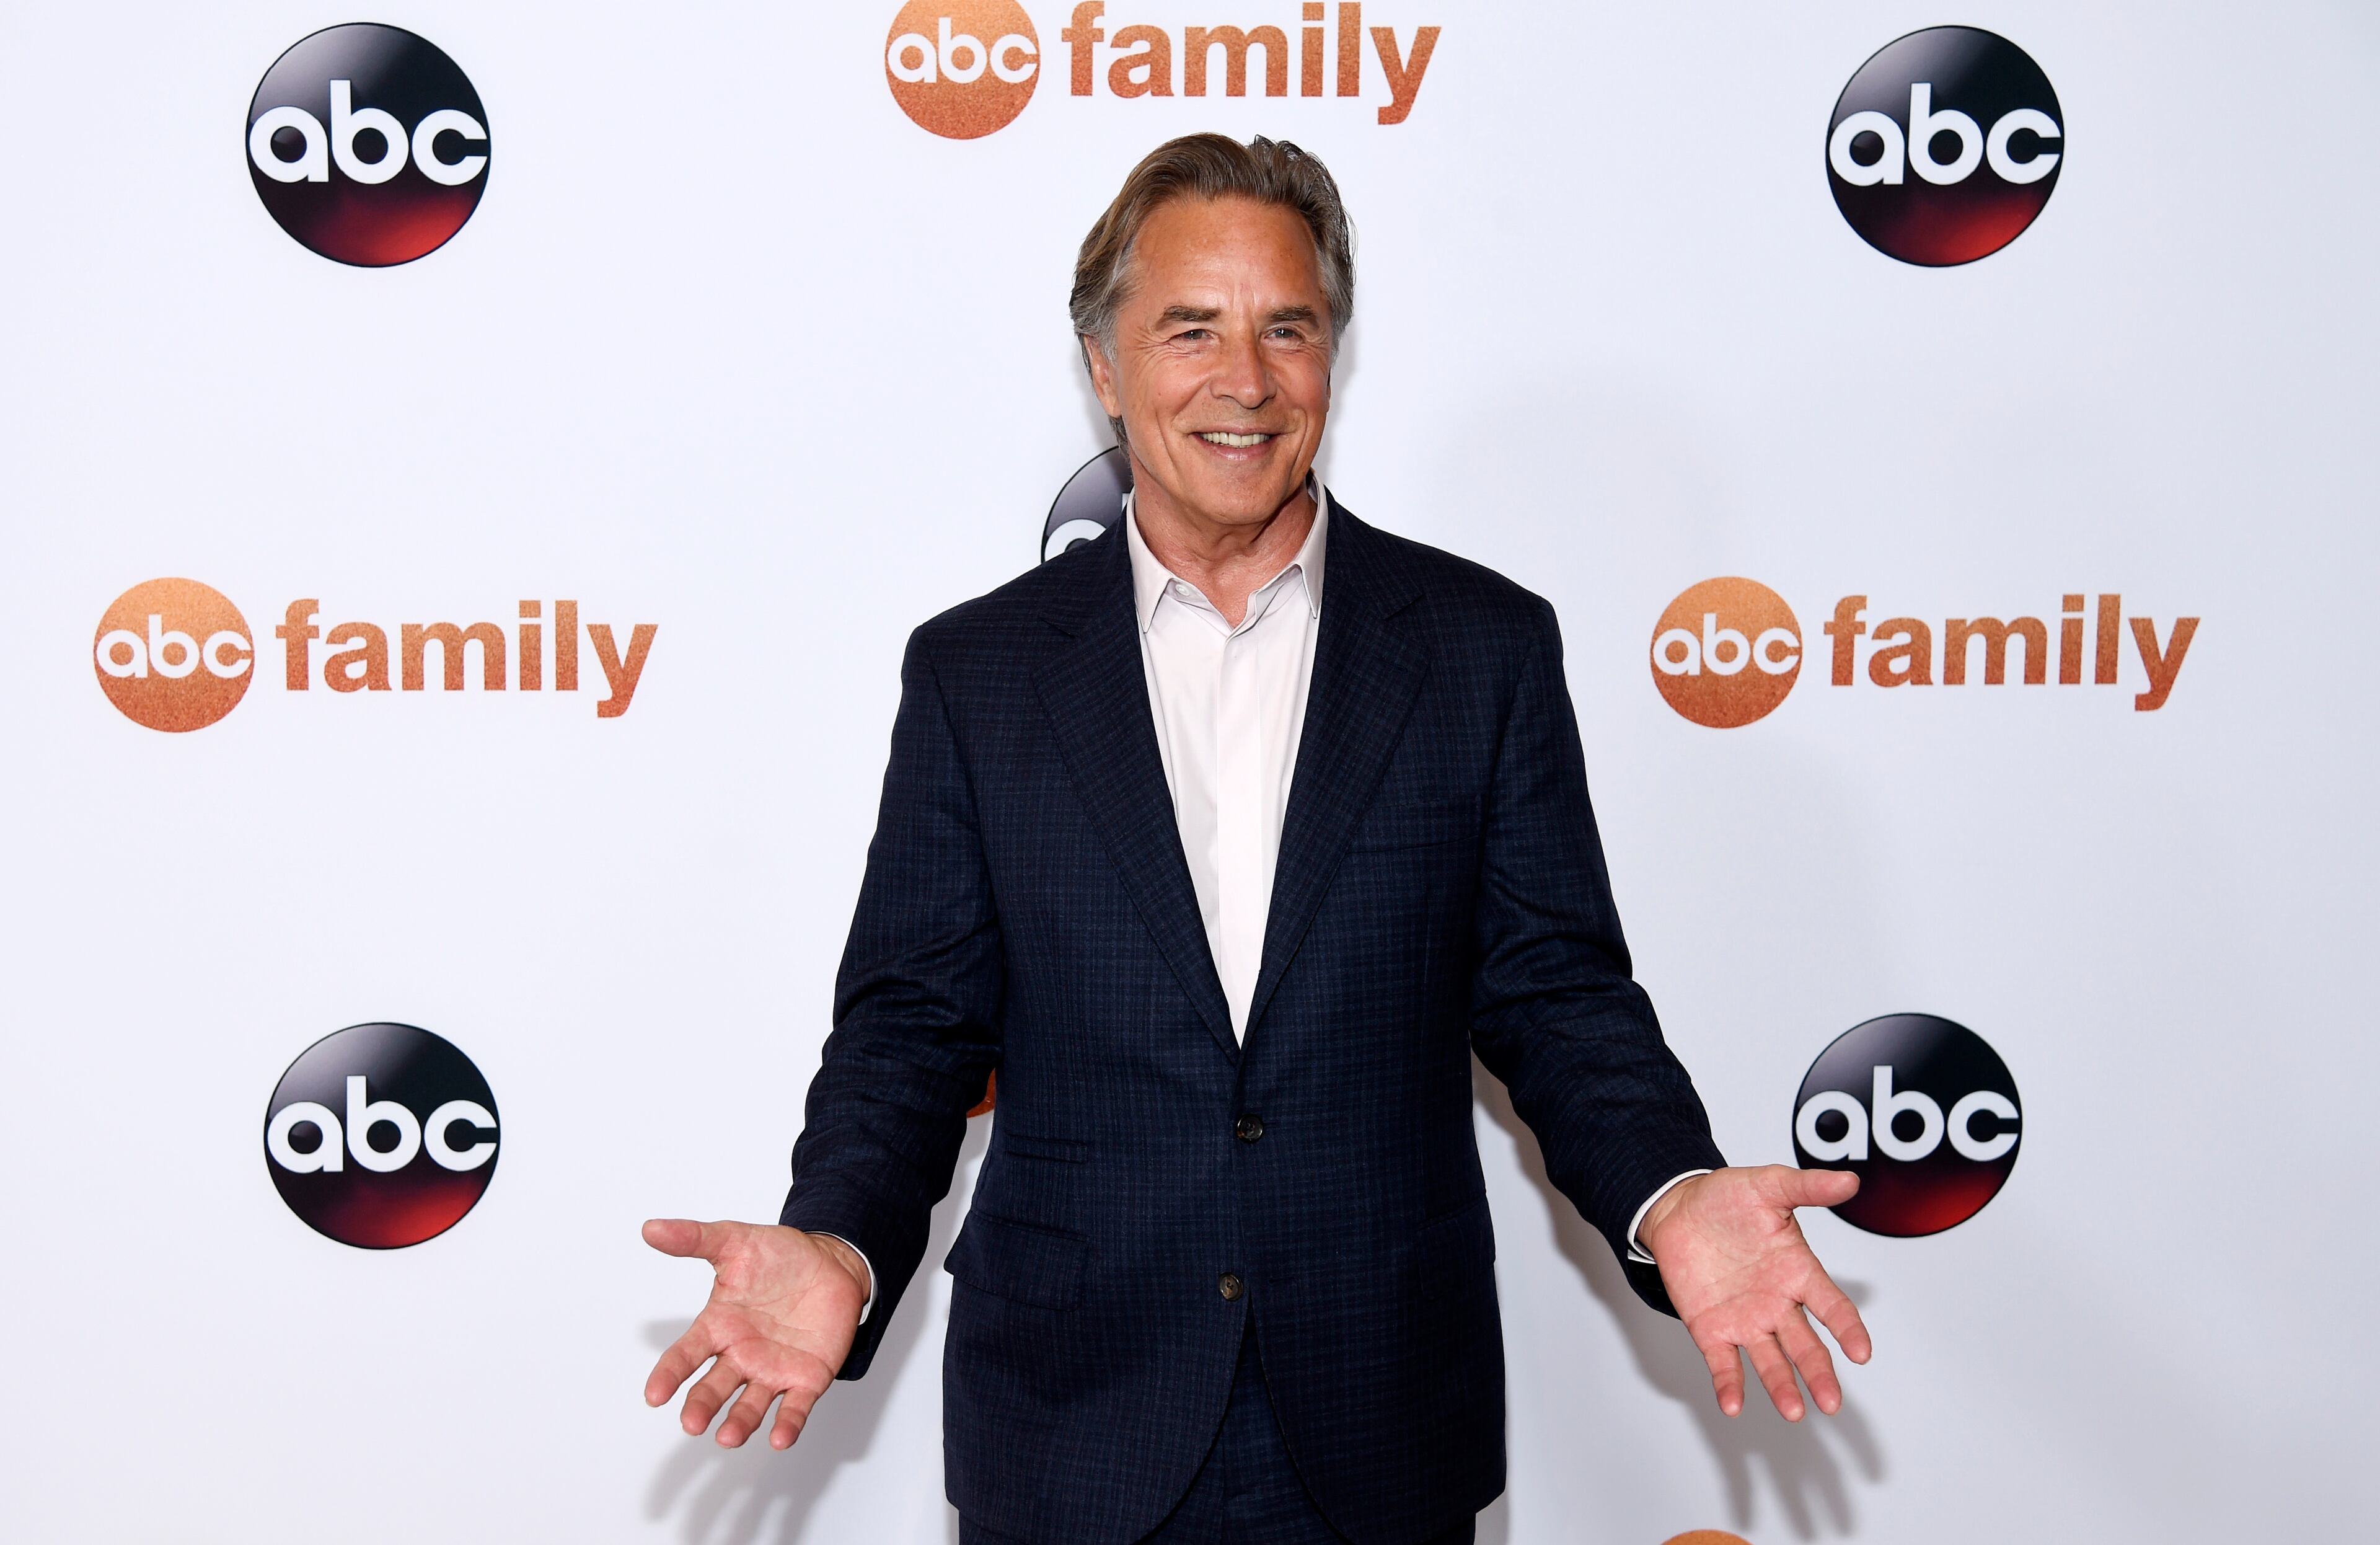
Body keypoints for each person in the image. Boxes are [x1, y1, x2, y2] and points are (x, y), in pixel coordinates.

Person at [643, 133, 1869, 1545]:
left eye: (1288, 328)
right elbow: (914, 1024)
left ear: (1333, 358)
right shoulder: (979, 674)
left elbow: (1556, 992)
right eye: (1191, 331)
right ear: (1104, 368)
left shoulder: (1480, 648)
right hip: (1071, 1418)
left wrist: (1674, 1191)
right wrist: (837, 1235)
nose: (1245, 379)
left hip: (1378, 1408)